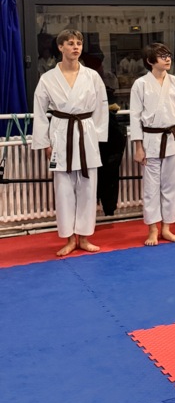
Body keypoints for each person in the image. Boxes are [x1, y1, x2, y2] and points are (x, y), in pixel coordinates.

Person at [32, 28, 108, 257]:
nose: (76, 47)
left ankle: (83, 237)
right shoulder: (47, 78)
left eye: (79, 43)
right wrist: (45, 142)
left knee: (87, 188)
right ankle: (68, 239)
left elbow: (101, 107)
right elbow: (39, 112)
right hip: (60, 132)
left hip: (85, 132)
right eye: (71, 43)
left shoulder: (92, 76)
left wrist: (96, 136)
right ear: (60, 47)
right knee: (63, 189)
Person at [130, 41, 175, 246]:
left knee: (171, 186)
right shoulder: (140, 84)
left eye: (168, 55)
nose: (168, 59)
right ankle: (152, 229)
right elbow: (135, 117)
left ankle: (167, 228)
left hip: (173, 139)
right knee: (151, 188)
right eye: (162, 56)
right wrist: (138, 147)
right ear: (150, 61)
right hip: (150, 141)